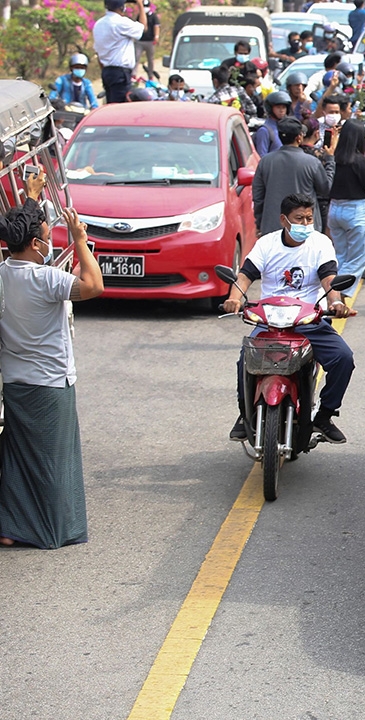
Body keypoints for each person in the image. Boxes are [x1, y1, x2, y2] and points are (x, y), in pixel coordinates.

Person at [0, 169, 104, 549]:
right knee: (51, 464)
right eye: (46, 237)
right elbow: (94, 286)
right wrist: (80, 242)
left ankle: (12, 526)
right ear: (33, 243)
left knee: (18, 458)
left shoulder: (4, 274)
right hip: (50, 385)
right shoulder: (44, 280)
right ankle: (45, 529)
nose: (49, 241)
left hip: (15, 383)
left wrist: (30, 196)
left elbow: (23, 225)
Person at [223, 193, 355, 444]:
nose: (305, 224)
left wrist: (335, 302)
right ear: (284, 220)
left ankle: (325, 416)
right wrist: (235, 298)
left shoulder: (320, 243)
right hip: (268, 322)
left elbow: (329, 277)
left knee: (343, 358)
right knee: (245, 360)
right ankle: (244, 415)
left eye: (309, 218)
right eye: (299, 219)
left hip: (309, 321)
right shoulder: (267, 244)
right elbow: (245, 275)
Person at [252, 117, 334, 236]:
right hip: (305, 229)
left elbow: (258, 197)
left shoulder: (265, 162)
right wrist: (330, 160)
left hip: (273, 228)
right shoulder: (312, 162)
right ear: (299, 137)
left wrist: (260, 223)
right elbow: (326, 189)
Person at [328, 122, 365, 288]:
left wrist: (335, 137)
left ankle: (336, 298)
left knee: (341, 255)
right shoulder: (360, 161)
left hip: (334, 209)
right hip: (354, 210)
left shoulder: (334, 157)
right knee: (358, 258)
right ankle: (341, 293)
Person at [92, 0, 145, 104]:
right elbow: (142, 28)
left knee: (111, 104)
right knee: (119, 107)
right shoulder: (121, 22)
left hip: (107, 71)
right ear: (122, 7)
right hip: (120, 72)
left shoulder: (99, 24)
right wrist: (140, 5)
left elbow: (98, 51)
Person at [255, 91, 291, 156]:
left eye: (283, 107)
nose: (281, 110)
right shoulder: (264, 131)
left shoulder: (287, 127)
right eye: (278, 107)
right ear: (271, 109)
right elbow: (262, 157)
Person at [135, 0, 160, 80]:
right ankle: (134, 74)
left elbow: (156, 26)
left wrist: (156, 36)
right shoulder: (140, 15)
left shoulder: (153, 16)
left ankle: (150, 75)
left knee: (150, 59)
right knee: (136, 57)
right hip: (140, 41)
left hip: (150, 41)